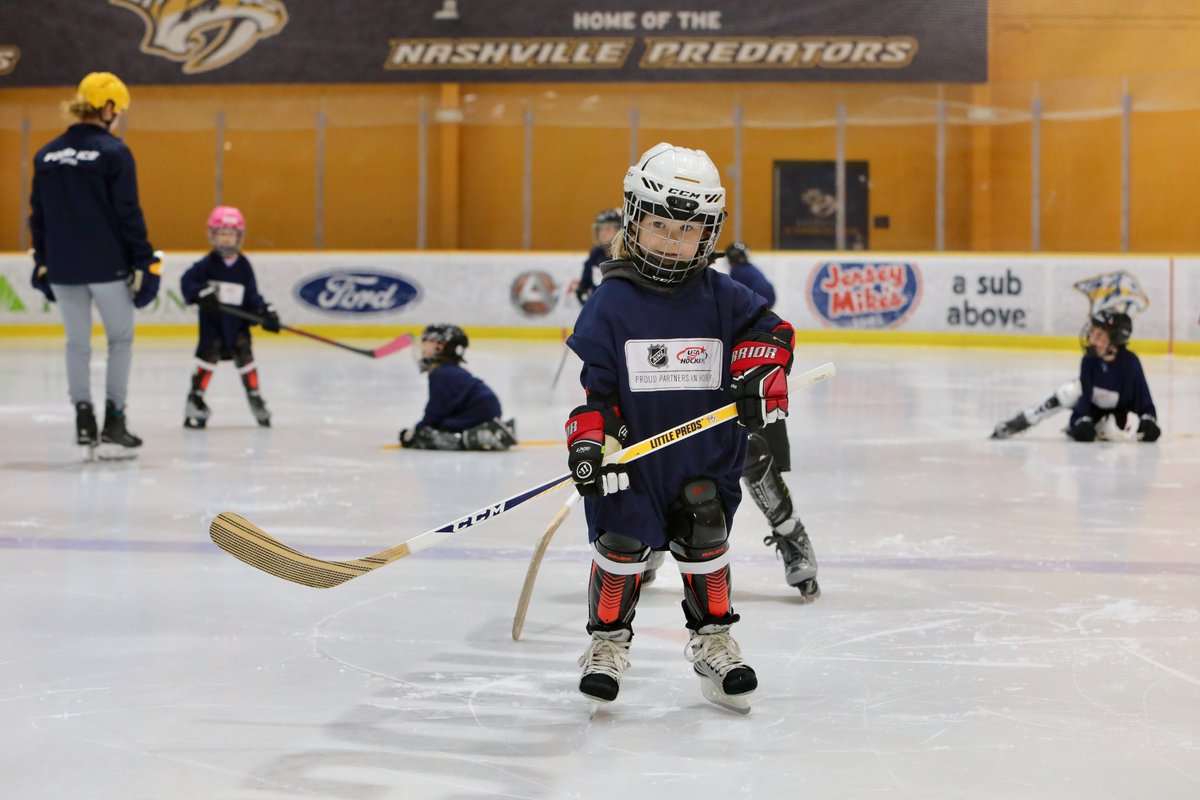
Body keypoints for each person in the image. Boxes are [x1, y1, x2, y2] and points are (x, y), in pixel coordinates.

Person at [565, 142, 798, 714]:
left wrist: (760, 368)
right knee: (621, 542)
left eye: (687, 230)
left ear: (708, 232)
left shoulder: (722, 296)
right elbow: (598, 395)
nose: (673, 241)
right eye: (660, 227)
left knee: (704, 530)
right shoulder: (610, 302)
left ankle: (714, 640)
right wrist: (593, 441)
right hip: (634, 462)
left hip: (705, 456)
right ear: (635, 221)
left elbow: (773, 332)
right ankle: (607, 644)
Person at [28, 72, 161, 460]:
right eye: (117, 111)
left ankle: (83, 420)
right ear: (107, 108)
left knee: (77, 343)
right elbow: (128, 213)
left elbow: (38, 218)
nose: (117, 118)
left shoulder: (46, 155)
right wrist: (144, 260)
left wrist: (42, 261)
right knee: (120, 341)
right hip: (108, 267)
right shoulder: (114, 153)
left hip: (63, 267)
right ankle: (114, 422)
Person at [723, 242, 820, 600]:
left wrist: (763, 356)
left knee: (754, 451)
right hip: (677, 386)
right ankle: (647, 539)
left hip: (735, 377)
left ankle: (792, 535)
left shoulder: (725, 287)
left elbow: (773, 326)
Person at [991, 310, 1160, 443]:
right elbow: (1085, 395)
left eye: (1099, 336)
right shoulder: (1089, 360)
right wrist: (1081, 419)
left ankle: (1100, 427)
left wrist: (1148, 420)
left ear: (1115, 340)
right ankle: (1021, 421)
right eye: (1092, 333)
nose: (1092, 340)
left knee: (1110, 431)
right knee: (1069, 391)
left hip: (1116, 416)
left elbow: (1143, 397)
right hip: (1092, 410)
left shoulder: (1130, 363)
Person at [179, 206, 279, 429]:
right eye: (221, 233)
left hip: (237, 326)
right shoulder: (206, 265)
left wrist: (265, 313)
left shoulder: (244, 266)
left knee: (245, 355)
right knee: (208, 356)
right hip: (213, 326)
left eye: (230, 234)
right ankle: (195, 399)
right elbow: (187, 282)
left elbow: (252, 296)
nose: (226, 239)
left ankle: (255, 397)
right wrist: (199, 292)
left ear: (239, 236)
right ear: (212, 235)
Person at [398, 324, 517, 451]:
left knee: (427, 435)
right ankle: (484, 432)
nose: (423, 348)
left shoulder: (441, 373)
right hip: (484, 410)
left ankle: (476, 437)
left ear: (441, 347)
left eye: (429, 342)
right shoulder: (448, 370)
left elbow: (436, 410)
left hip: (478, 412)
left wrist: (418, 430)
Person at [574, 208, 622, 304]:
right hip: (596, 305)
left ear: (619, 232)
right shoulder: (595, 254)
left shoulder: (622, 256)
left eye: (608, 229)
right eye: (601, 229)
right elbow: (586, 277)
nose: (603, 234)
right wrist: (582, 288)